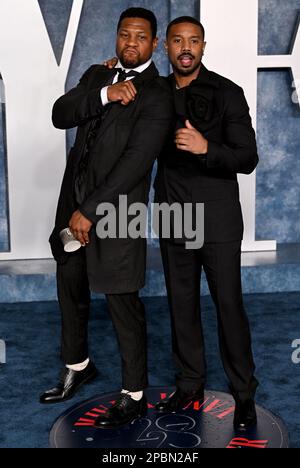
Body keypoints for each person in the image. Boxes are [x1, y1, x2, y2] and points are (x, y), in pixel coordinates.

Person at [104, 15, 259, 431]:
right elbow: (120, 93)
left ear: (203, 47)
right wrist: (111, 73)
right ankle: (190, 384)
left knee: (228, 304)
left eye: (193, 41)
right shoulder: (152, 91)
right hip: (174, 213)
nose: (185, 48)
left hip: (219, 215)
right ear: (166, 47)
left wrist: (207, 147)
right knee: (181, 305)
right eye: (177, 41)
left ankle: (243, 393)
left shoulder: (228, 92)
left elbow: (248, 157)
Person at [39, 8, 173, 430]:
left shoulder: (159, 93)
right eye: (124, 35)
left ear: (154, 44)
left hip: (118, 212)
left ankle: (134, 392)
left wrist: (90, 211)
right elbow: (61, 114)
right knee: (71, 285)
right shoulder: (98, 76)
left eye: (140, 37)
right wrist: (104, 95)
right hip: (71, 204)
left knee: (121, 298)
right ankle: (78, 365)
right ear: (116, 38)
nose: (131, 43)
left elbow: (136, 162)